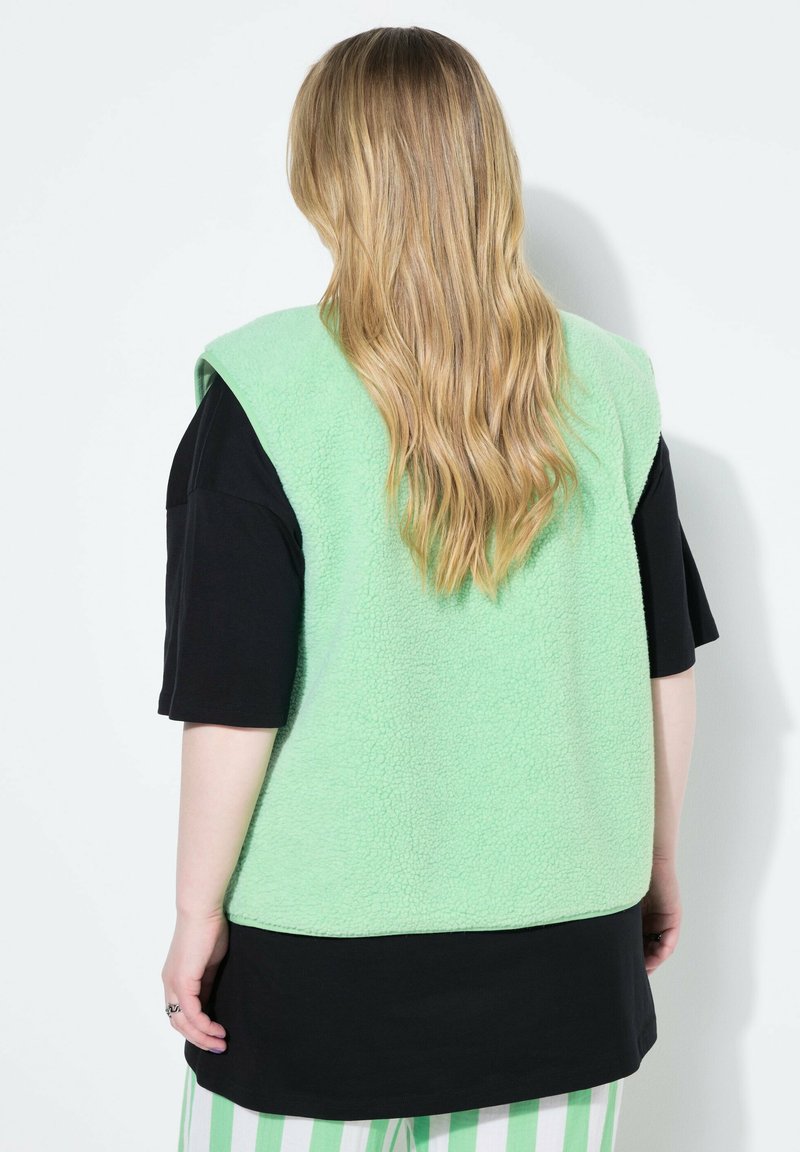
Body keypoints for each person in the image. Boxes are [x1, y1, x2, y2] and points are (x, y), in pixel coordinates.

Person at [157, 26, 720, 1152]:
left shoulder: (265, 392)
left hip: (319, 971)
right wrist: (657, 863)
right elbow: (663, 667)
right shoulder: (610, 387)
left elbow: (233, 701)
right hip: (567, 953)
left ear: (322, 176)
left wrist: (193, 913)